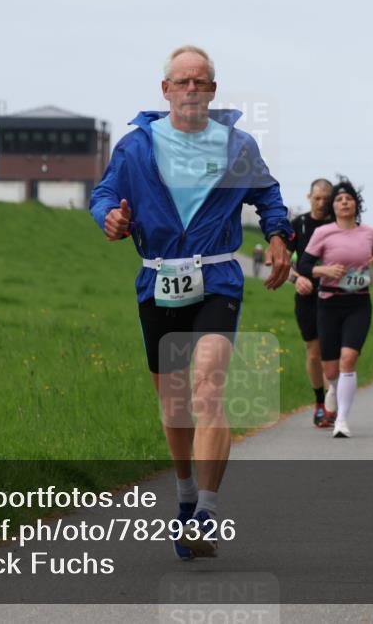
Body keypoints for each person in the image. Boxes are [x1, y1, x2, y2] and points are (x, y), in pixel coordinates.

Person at [89, 45, 292, 559]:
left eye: (201, 82)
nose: (191, 90)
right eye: (182, 82)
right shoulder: (136, 148)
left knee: (207, 387)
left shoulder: (237, 145)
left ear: (214, 91)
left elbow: (267, 194)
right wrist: (109, 216)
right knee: (175, 404)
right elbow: (103, 196)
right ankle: (183, 497)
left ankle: (205, 511)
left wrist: (277, 236)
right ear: (165, 90)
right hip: (157, 281)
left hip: (217, 276)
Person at [296, 181, 373, 438]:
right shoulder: (323, 233)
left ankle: (342, 421)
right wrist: (323, 270)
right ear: (333, 206)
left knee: (348, 360)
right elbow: (304, 265)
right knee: (330, 370)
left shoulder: (369, 233)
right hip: (328, 303)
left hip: (359, 303)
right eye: (339, 200)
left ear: (356, 204)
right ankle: (332, 390)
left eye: (349, 198)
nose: (344, 202)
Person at [287, 177, 335, 427]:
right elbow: (282, 263)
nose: (321, 203)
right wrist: (296, 279)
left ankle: (332, 403)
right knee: (314, 353)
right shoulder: (299, 224)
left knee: (332, 352)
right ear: (309, 197)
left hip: (335, 296)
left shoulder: (340, 225)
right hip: (306, 296)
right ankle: (319, 402)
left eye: (326, 199)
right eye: (317, 198)